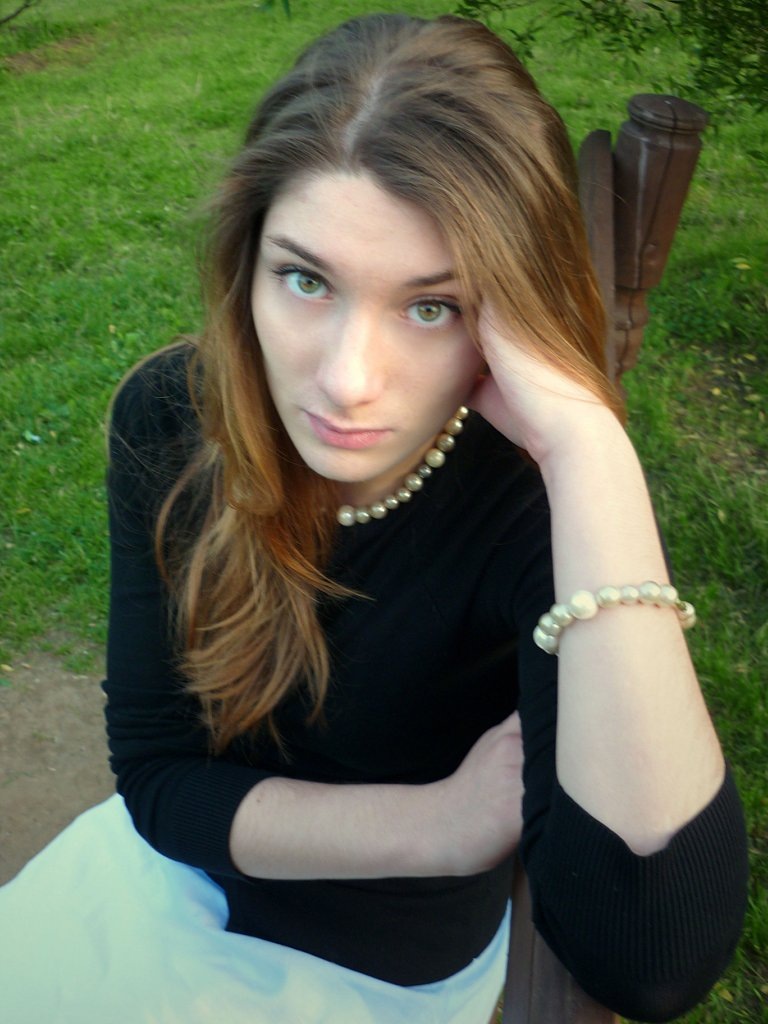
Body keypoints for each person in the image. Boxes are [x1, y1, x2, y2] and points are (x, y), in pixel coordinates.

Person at [0, 12, 747, 1024]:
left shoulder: (536, 509)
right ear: (247, 264)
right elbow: (161, 779)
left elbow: (650, 959)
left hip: (372, 971)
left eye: (432, 306)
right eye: (305, 279)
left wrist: (588, 447)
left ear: (510, 315)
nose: (348, 381)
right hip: (162, 886)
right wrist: (442, 825)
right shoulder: (176, 419)